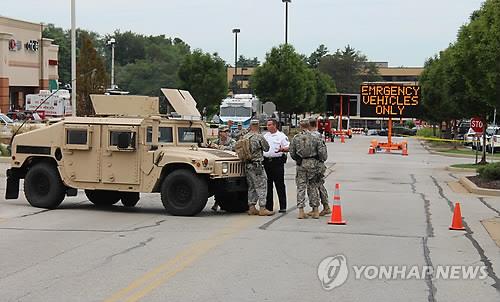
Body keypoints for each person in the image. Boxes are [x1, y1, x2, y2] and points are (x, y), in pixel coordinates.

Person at [289, 119, 328, 219]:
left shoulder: (296, 138)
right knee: (313, 186)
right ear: (309, 126)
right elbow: (323, 154)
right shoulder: (315, 138)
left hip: (301, 164)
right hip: (313, 164)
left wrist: (298, 159)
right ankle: (315, 210)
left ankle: (301, 211)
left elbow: (292, 153)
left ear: (300, 126)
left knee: (301, 187)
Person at [243, 119, 274, 216]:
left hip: (247, 165)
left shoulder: (245, 137)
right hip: (257, 165)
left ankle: (251, 207)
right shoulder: (259, 137)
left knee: (251, 186)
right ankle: (262, 207)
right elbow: (266, 148)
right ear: (258, 126)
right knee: (262, 185)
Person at [263, 119, 289, 213]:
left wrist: (282, 149)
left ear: (275, 126)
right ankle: (269, 206)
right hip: (266, 162)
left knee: (279, 185)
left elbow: (288, 147)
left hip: (277, 162)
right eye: (267, 125)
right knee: (268, 185)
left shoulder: (281, 136)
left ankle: (283, 206)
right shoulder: (265, 136)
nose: (268, 126)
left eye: (270, 125)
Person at [309, 117, 331, 216]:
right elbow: (323, 153)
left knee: (312, 186)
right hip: (320, 163)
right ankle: (326, 206)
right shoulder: (320, 136)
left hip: (313, 163)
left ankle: (315, 208)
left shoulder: (312, 136)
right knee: (320, 185)